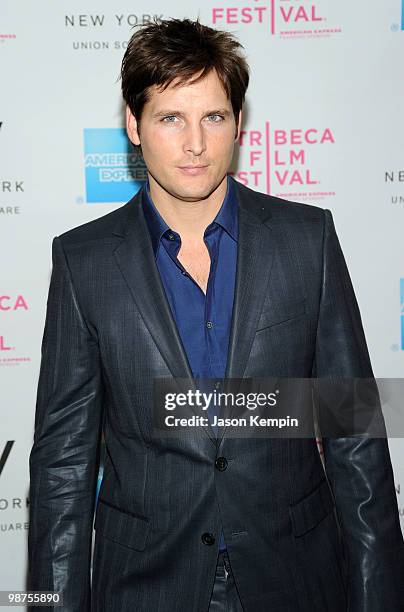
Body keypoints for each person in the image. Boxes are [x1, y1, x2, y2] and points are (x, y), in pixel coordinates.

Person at [27, 17, 404, 612]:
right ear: (134, 125)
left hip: (295, 579)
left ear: (237, 123)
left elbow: (353, 431)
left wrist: (380, 595)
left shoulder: (307, 240)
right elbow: (63, 466)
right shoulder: (84, 260)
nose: (195, 143)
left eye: (214, 117)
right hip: (145, 585)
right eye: (171, 118)